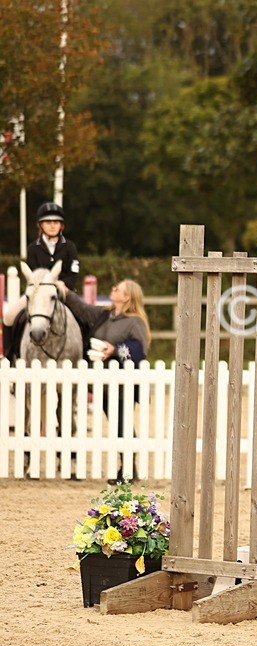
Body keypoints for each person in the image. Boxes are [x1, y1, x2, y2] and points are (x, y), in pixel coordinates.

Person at [60, 279, 151, 483]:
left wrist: (115, 350)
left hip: (123, 384)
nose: (112, 289)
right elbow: (82, 309)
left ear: (127, 297)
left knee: (123, 425)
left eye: (117, 288)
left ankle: (128, 470)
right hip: (104, 383)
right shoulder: (104, 315)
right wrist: (66, 292)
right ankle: (127, 469)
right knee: (117, 424)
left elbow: (139, 350)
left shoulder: (135, 321)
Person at [3, 202, 85, 363]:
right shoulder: (33, 248)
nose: (52, 226)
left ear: (61, 225)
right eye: (48, 222)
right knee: (9, 317)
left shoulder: (69, 247)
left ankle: (87, 356)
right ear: (40, 225)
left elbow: (73, 273)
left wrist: (62, 286)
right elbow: (33, 276)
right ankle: (8, 357)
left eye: (56, 222)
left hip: (64, 291)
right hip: (38, 295)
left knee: (84, 318)